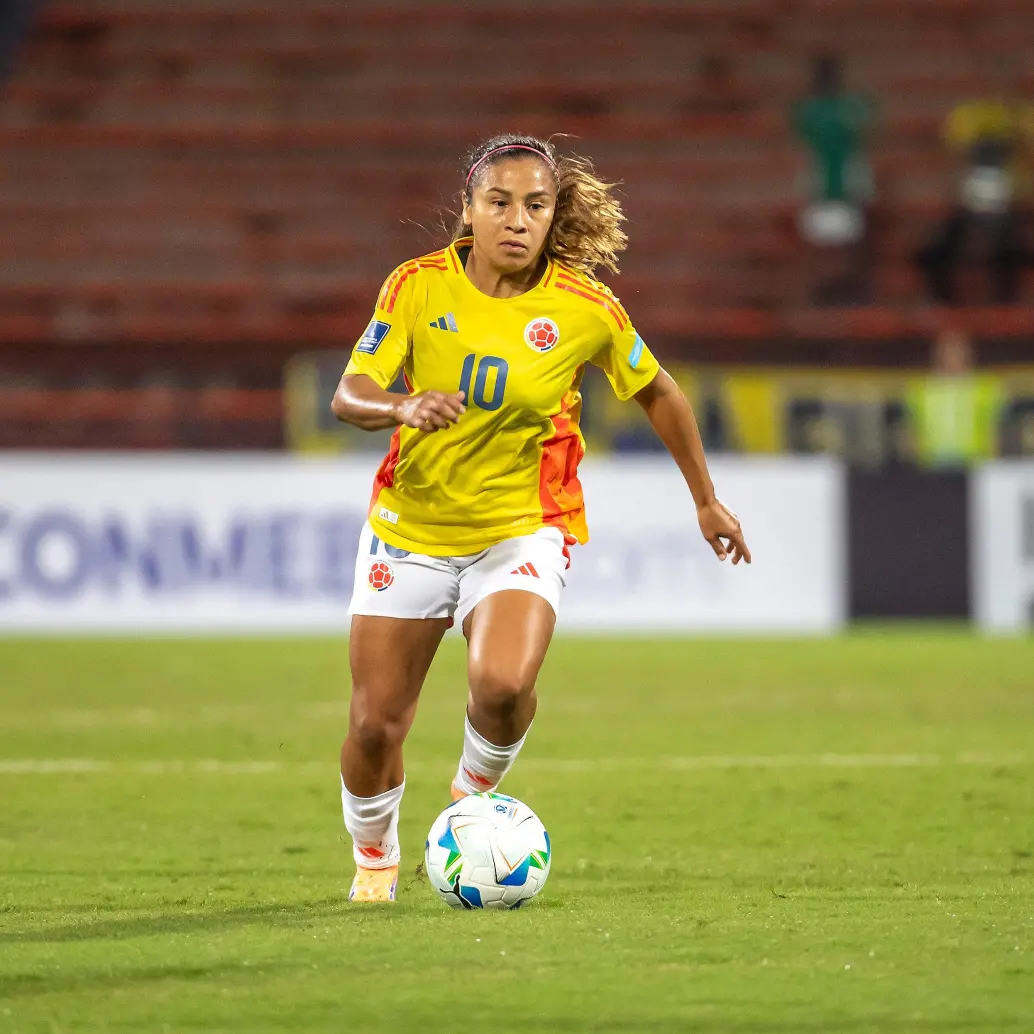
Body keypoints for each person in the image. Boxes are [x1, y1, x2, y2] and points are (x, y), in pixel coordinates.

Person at [330, 134, 751, 903]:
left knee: (501, 683)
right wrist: (402, 404)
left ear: (555, 215)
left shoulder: (585, 308)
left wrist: (705, 498)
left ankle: (470, 798)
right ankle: (375, 858)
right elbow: (349, 393)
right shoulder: (416, 286)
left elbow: (659, 391)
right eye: (499, 202)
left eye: (535, 205)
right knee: (374, 726)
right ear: (468, 209)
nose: (517, 220)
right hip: (410, 530)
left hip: (522, 525)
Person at [916, 57, 1034, 305]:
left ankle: (1006, 302)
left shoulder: (1023, 117)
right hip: (971, 204)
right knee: (933, 251)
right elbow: (953, 160)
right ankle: (945, 302)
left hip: (1012, 206)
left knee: (1010, 250)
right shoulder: (968, 116)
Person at [790, 54, 874, 304]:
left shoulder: (850, 109)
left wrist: (863, 185)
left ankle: (851, 290)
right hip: (819, 186)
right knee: (816, 244)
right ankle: (818, 292)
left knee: (851, 243)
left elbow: (860, 146)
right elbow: (804, 149)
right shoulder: (808, 111)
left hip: (847, 184)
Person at [905, 328, 1003, 467]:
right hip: (931, 464)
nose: (953, 358)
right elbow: (912, 430)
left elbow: (994, 429)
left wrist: (993, 461)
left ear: (968, 355)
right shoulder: (921, 390)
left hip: (974, 462)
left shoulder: (985, 388)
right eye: (948, 352)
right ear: (938, 355)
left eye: (958, 352)